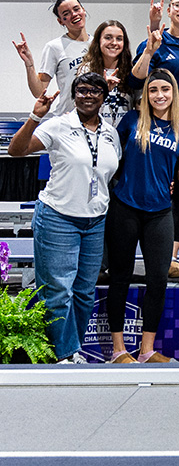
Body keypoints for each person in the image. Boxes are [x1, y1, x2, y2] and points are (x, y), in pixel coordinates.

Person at [8, 73, 121, 363]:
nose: (88, 95)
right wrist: (35, 116)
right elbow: (16, 151)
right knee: (58, 291)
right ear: (74, 95)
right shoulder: (58, 125)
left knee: (84, 292)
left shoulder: (110, 133)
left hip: (94, 221)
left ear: (103, 97)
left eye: (95, 91)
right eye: (82, 90)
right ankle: (63, 356)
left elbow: (111, 173)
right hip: (58, 218)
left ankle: (72, 351)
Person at [105, 70, 179, 364]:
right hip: (125, 208)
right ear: (145, 95)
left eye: (165, 90)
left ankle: (147, 351)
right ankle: (118, 350)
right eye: (153, 90)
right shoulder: (131, 122)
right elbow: (112, 159)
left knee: (158, 280)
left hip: (160, 213)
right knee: (120, 278)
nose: (159, 95)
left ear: (174, 94)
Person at [133, 0, 179, 277]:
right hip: (159, 128)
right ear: (170, 10)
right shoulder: (157, 41)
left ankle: (171, 258)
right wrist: (150, 48)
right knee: (160, 190)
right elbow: (136, 79)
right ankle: (149, 253)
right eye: (178, 5)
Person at [14, 0, 92, 119]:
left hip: (95, 118)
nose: (74, 14)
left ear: (83, 10)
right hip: (67, 119)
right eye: (66, 13)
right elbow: (39, 91)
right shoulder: (54, 47)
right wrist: (29, 64)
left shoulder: (99, 44)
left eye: (76, 9)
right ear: (61, 21)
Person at [78, 20, 135, 128]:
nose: (114, 42)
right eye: (108, 37)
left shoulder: (131, 70)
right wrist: (102, 90)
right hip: (92, 132)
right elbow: (79, 106)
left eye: (119, 39)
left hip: (123, 136)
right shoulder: (86, 69)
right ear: (98, 41)